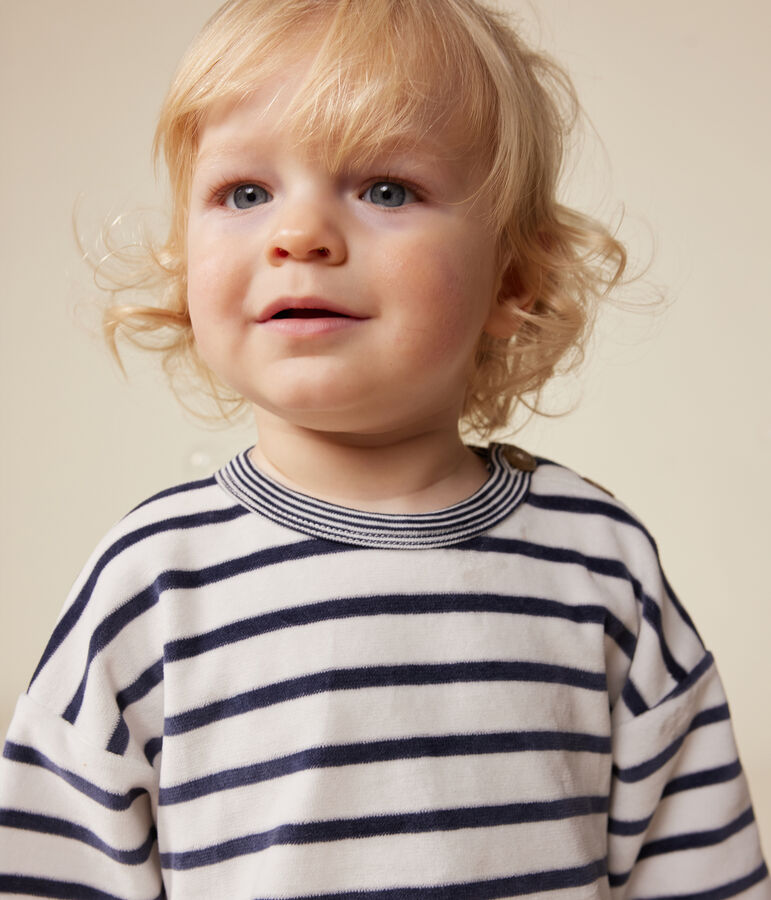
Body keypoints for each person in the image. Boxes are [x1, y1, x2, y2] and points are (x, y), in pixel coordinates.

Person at [0, 0, 768, 896]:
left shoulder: (598, 566)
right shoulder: (153, 585)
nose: (300, 236)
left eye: (385, 189)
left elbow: (700, 875)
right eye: (245, 193)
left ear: (512, 278)